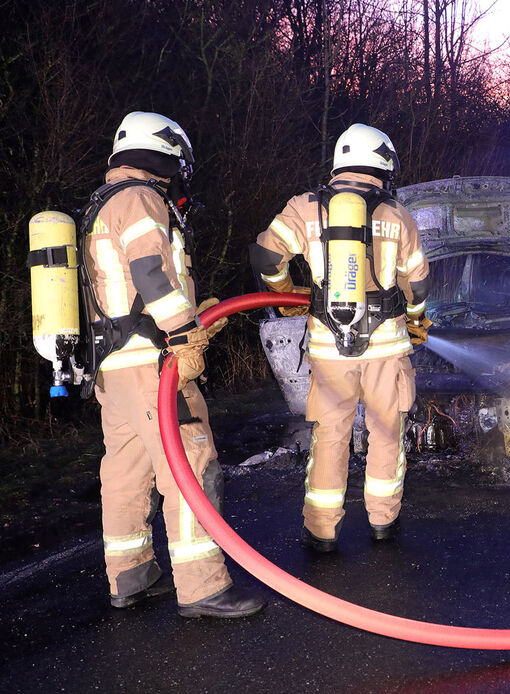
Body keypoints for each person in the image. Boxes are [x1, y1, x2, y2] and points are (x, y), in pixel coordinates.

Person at [83, 112, 264, 618]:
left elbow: (127, 287)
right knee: (191, 465)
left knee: (125, 472)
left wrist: (195, 313)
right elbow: (149, 271)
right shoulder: (141, 198)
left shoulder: (102, 202)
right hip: (154, 366)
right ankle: (203, 588)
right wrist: (184, 333)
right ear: (166, 153)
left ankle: (130, 576)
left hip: (114, 366)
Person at [250, 123, 430, 551]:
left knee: (330, 436)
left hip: (329, 348)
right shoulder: (396, 214)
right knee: (386, 433)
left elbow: (266, 255)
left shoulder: (304, 207)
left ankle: (322, 531)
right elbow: (418, 283)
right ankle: (383, 523)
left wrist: (284, 291)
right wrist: (416, 321)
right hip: (385, 348)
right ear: (384, 164)